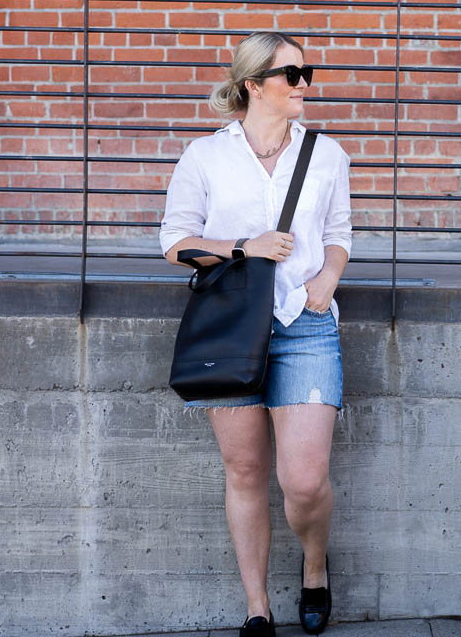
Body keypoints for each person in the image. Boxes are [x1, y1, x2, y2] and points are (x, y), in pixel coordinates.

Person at [159, 32, 352, 637]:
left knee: (303, 478)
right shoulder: (205, 157)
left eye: (306, 74)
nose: (304, 85)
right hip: (231, 330)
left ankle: (315, 567)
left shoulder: (327, 155)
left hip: (306, 325)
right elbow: (174, 241)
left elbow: (341, 232)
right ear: (253, 85)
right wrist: (244, 246)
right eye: (292, 75)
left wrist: (328, 276)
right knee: (244, 471)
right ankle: (257, 608)